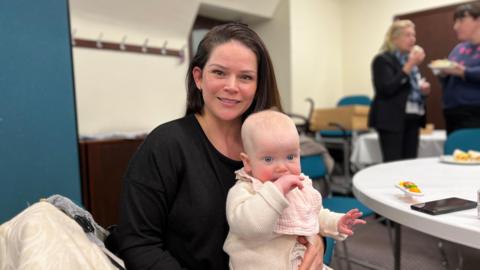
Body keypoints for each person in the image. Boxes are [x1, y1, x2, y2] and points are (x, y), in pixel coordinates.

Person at [110, 22, 324, 270]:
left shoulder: (271, 144)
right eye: (219, 73)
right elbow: (138, 243)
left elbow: (305, 207)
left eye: (245, 77)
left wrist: (318, 239)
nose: (232, 86)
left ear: (258, 85)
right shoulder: (165, 145)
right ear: (199, 78)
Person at [224, 110, 366, 270]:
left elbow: (313, 214)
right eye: (268, 159)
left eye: (290, 157)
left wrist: (336, 222)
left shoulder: (298, 186)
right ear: (248, 162)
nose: (282, 168)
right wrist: (276, 191)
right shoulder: (245, 190)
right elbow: (250, 227)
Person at [368, 20, 431, 162]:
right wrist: (410, 65)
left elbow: (408, 89)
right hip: (391, 119)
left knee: (410, 163)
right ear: (394, 38)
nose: (413, 39)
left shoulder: (410, 62)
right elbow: (386, 88)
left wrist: (424, 91)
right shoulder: (383, 60)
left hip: (413, 117)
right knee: (393, 164)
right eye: (407, 35)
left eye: (413, 35)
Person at [435, 3, 480, 134]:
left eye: (461, 20)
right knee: (454, 152)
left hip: (475, 112)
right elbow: (448, 79)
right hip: (452, 112)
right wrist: (443, 74)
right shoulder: (457, 49)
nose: (455, 27)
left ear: (478, 20)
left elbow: (462, 71)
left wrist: (463, 71)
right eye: (455, 22)